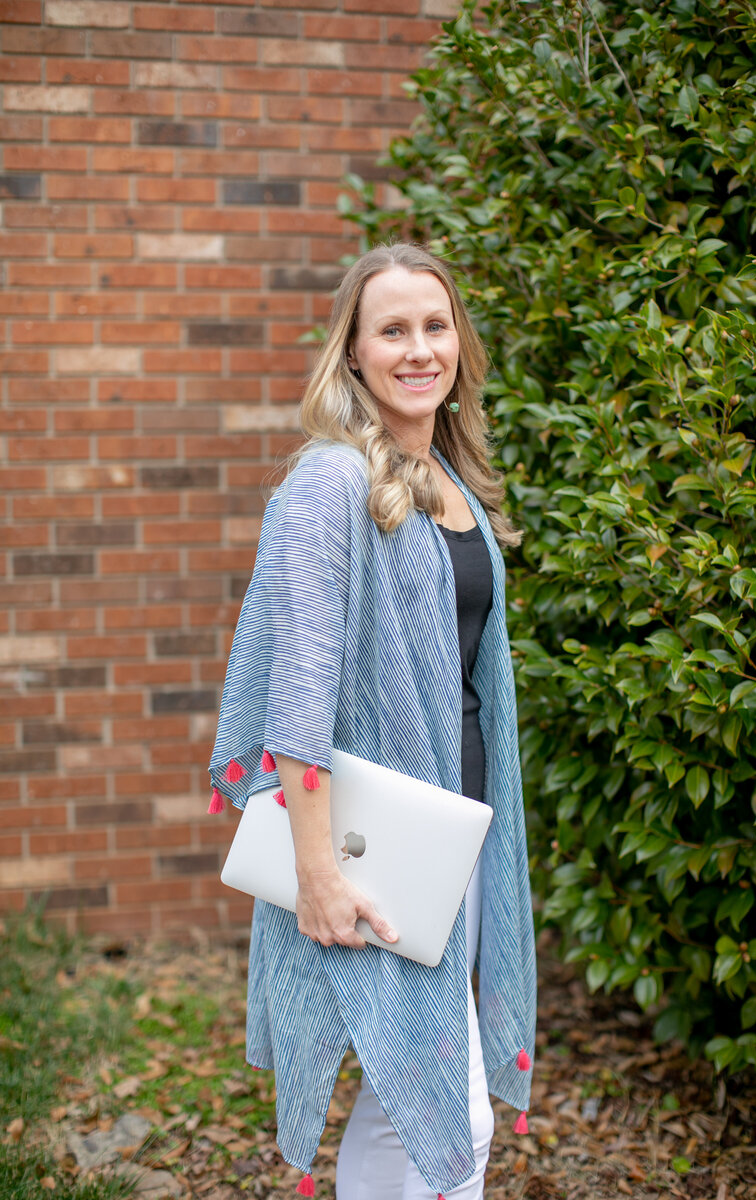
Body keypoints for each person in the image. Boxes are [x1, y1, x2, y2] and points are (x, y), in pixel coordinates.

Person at [208, 242, 537, 1200]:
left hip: (454, 838)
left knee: (417, 1093)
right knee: (435, 1106)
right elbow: (297, 690)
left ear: (459, 346)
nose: (418, 349)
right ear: (352, 354)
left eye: (435, 327)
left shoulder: (451, 487)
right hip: (369, 848)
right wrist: (317, 872)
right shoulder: (330, 482)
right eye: (392, 330)